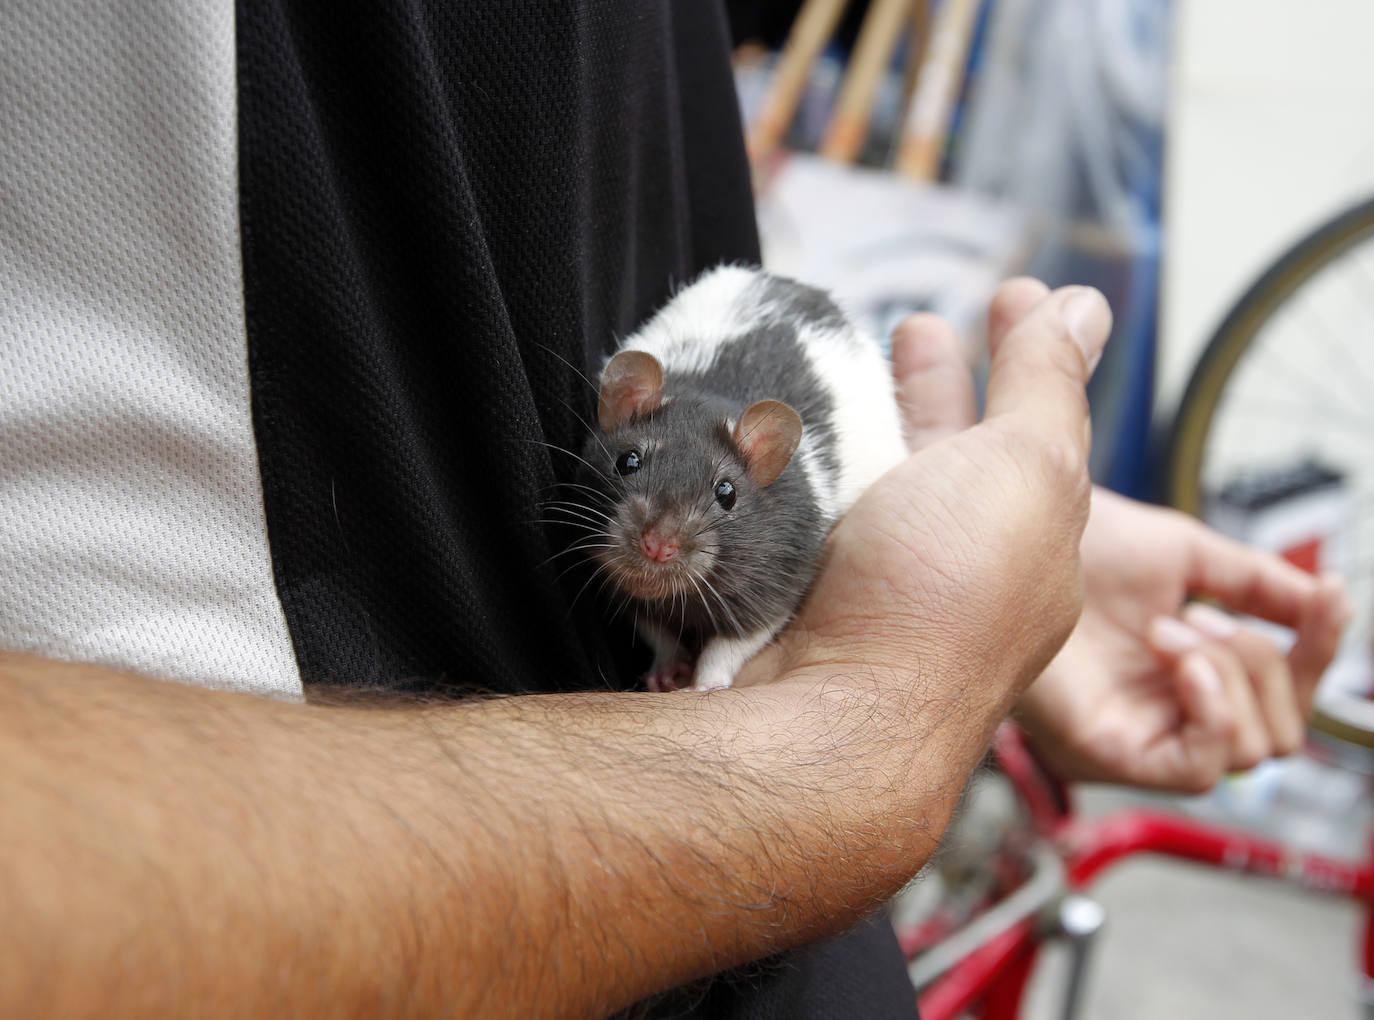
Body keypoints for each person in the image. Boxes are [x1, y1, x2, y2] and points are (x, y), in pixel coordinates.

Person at [0, 1, 1347, 1017]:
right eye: (632, 491)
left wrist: (974, 570)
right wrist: (863, 736)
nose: (649, 535)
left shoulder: (732, 459)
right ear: (615, 422)